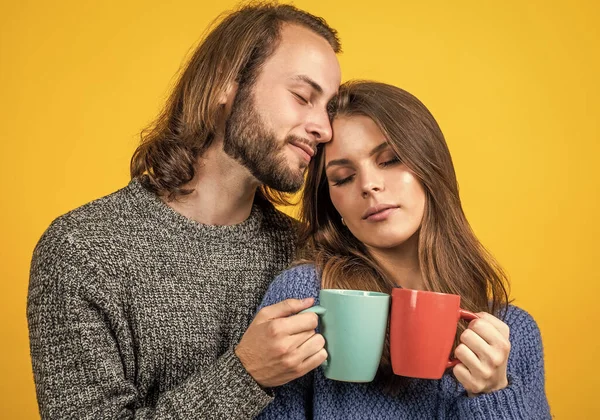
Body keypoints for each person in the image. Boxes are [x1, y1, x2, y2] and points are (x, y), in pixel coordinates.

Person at [26, 3, 341, 419]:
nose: (325, 129)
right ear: (226, 84)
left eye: (328, 109)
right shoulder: (82, 250)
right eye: (303, 97)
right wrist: (245, 375)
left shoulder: (308, 251)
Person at [255, 81, 552, 419]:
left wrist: (493, 394)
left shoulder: (511, 334)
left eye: (390, 160)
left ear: (430, 168)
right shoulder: (307, 297)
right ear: (331, 202)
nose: (369, 185)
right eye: (342, 178)